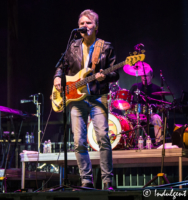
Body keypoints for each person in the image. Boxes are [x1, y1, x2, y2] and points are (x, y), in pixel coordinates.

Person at [54, 9, 119, 190]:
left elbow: (115, 73)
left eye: (88, 23)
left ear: (96, 26)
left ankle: (107, 181)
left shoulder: (105, 47)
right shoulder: (73, 45)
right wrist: (58, 77)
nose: (84, 26)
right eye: (82, 23)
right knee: (79, 141)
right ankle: (86, 180)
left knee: (103, 139)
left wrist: (103, 77)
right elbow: (61, 65)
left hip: (98, 96)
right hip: (76, 98)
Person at [129, 62, 164, 146]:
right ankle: (132, 143)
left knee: (157, 118)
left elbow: (162, 104)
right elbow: (129, 101)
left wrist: (160, 107)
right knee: (128, 121)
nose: (144, 78)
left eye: (146, 76)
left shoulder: (157, 89)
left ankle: (158, 143)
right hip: (137, 114)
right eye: (142, 76)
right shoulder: (135, 86)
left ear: (151, 76)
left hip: (151, 115)